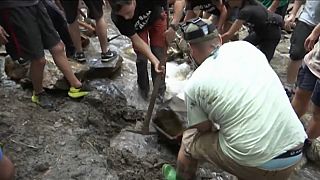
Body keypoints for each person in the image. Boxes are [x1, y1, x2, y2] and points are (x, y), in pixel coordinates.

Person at [166, 17, 307, 180]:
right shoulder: (245, 48)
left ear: (191, 49)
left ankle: (180, 178)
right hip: (294, 151)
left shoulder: (194, 83)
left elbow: (204, 129)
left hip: (256, 162)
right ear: (219, 39)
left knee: (189, 140)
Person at [0, 0, 89, 109]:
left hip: (37, 4)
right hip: (15, 9)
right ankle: (38, 93)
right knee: (38, 59)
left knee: (58, 47)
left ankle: (76, 85)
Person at [109, 0, 166, 100]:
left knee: (158, 54)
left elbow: (180, 2)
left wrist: (173, 27)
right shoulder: (118, 18)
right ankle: (143, 92)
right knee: (142, 59)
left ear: (133, 2)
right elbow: (136, 40)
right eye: (123, 15)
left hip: (156, 17)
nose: (126, 17)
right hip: (139, 29)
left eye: (127, 13)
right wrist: (154, 60)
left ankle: (159, 93)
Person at [291, 23, 320, 161]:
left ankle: (303, 149)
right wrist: (315, 32)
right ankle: (284, 130)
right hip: (315, 61)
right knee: (299, 98)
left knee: (318, 114)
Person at [283, 0, 320, 97]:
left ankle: (304, 88)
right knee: (296, 53)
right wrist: (293, 14)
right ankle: (289, 87)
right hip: (307, 20)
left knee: (314, 59)